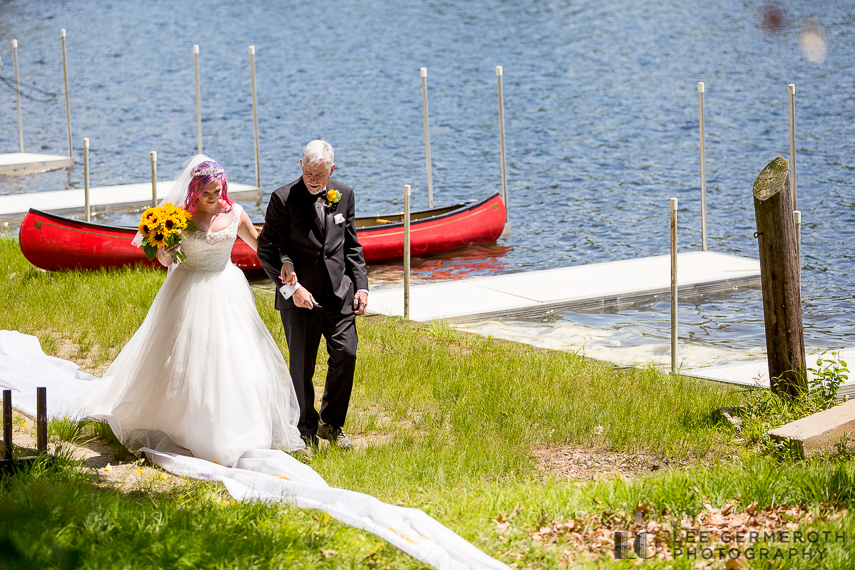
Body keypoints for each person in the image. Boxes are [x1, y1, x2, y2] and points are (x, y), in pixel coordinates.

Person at [76, 155, 305, 466]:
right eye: (206, 193)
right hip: (188, 289)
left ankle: (234, 426)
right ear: (195, 191)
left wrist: (286, 263)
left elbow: (259, 245)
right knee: (185, 358)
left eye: (216, 191)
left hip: (227, 288)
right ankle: (180, 423)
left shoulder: (235, 213)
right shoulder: (178, 219)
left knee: (233, 357)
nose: (212, 199)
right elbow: (165, 262)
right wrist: (166, 252)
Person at [257, 140, 368, 450]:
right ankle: (304, 430)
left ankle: (331, 425)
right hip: (300, 298)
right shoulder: (283, 199)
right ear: (301, 167)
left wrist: (361, 286)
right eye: (308, 173)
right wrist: (291, 289)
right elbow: (265, 248)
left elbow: (351, 246)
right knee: (302, 367)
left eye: (320, 174)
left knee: (346, 354)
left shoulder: (343, 194)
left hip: (339, 294)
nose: (314, 180)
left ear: (331, 170)